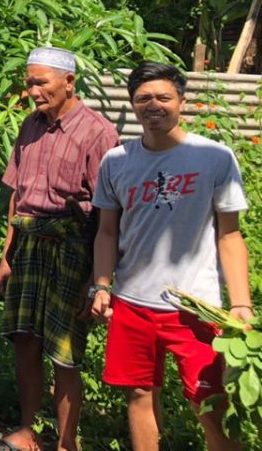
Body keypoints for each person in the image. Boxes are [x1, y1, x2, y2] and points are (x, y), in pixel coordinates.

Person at [90, 63, 251, 451]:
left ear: (182, 101)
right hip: (131, 303)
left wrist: (242, 303)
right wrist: (101, 285)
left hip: (195, 305)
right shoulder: (116, 161)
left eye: (163, 97)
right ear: (132, 104)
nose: (153, 105)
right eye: (143, 98)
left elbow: (230, 235)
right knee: (139, 394)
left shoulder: (214, 157)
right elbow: (107, 231)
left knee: (211, 405)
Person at [0, 47, 119, 451]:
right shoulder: (30, 126)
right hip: (28, 245)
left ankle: (67, 443)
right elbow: (17, 197)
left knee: (64, 351)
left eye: (40, 82)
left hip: (74, 247)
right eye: (29, 82)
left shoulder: (98, 132)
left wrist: (98, 281)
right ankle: (28, 430)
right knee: (24, 339)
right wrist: (6, 257)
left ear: (68, 81)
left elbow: (108, 210)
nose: (32, 91)